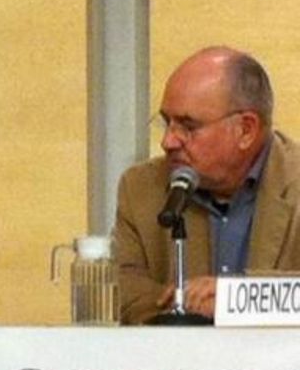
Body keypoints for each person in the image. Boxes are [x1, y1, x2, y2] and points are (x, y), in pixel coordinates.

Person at [114, 46, 300, 324]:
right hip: (177, 353)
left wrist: (233, 301)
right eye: (166, 123)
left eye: (188, 126)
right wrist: (185, 305)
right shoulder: (141, 188)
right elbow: (127, 298)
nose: (168, 141)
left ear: (246, 129)